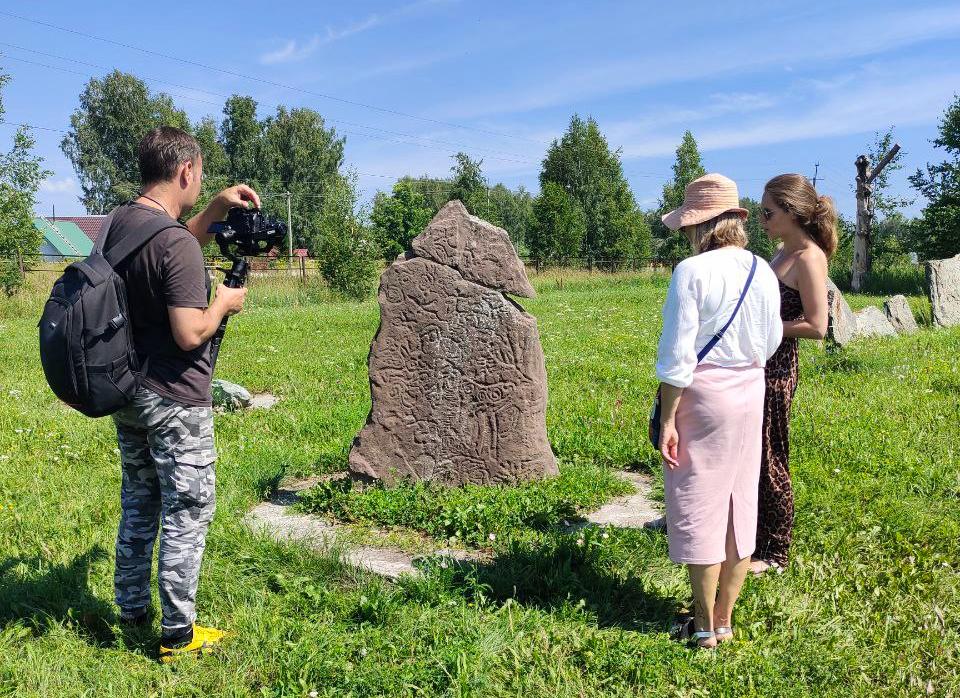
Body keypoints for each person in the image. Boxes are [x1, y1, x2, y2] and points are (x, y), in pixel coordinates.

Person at [107, 126, 260, 662]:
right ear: (186, 171)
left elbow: (170, 242)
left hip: (129, 389)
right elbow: (190, 332)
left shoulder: (122, 224)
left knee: (140, 498)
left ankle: (130, 608)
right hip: (175, 395)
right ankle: (178, 633)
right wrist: (223, 303)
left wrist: (215, 209)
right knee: (188, 508)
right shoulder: (174, 244)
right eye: (201, 177)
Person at [656, 174, 783, 648]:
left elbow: (676, 354)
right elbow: (770, 342)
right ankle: (726, 621)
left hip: (704, 396)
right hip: (751, 391)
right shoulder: (763, 270)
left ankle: (703, 626)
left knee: (700, 504)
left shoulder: (692, 272)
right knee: (738, 505)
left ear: (700, 226)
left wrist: (668, 418)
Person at [750, 174, 836, 576]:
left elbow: (818, 326)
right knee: (754, 452)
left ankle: (776, 551)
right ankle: (752, 536)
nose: (762, 219)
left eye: (768, 212)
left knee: (772, 455)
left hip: (779, 369)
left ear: (792, 212)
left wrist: (768, 327)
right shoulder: (783, 250)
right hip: (760, 363)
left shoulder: (809, 257)